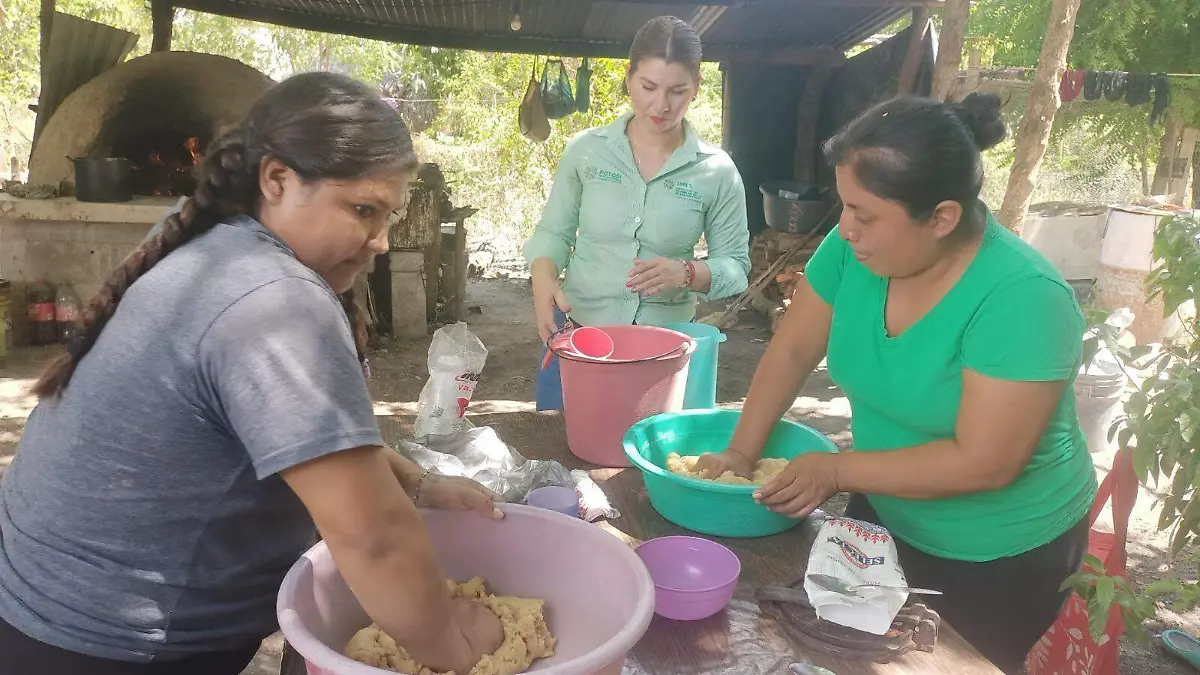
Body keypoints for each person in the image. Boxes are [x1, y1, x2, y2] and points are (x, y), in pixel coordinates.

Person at [0, 72, 505, 675]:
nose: (380, 240)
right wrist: (457, 647)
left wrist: (417, 486)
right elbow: (375, 540)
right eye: (362, 209)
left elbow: (324, 442)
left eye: (388, 214)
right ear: (276, 179)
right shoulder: (273, 301)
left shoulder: (211, 245)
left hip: (33, 602)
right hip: (101, 644)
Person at [695, 93, 1096, 674]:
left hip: (1001, 549)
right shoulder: (851, 250)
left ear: (942, 217)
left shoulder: (1024, 299)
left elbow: (986, 462)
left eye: (866, 213)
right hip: (886, 500)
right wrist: (741, 449)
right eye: (845, 206)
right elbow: (793, 347)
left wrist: (837, 469)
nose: (846, 229)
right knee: (845, 649)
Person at [523, 15, 751, 410]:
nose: (660, 105)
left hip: (663, 355)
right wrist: (542, 280)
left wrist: (687, 273)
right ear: (629, 78)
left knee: (648, 464)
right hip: (581, 339)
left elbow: (735, 268)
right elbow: (554, 233)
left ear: (697, 87)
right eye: (648, 87)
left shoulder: (716, 171)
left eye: (677, 90)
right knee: (561, 460)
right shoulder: (586, 151)